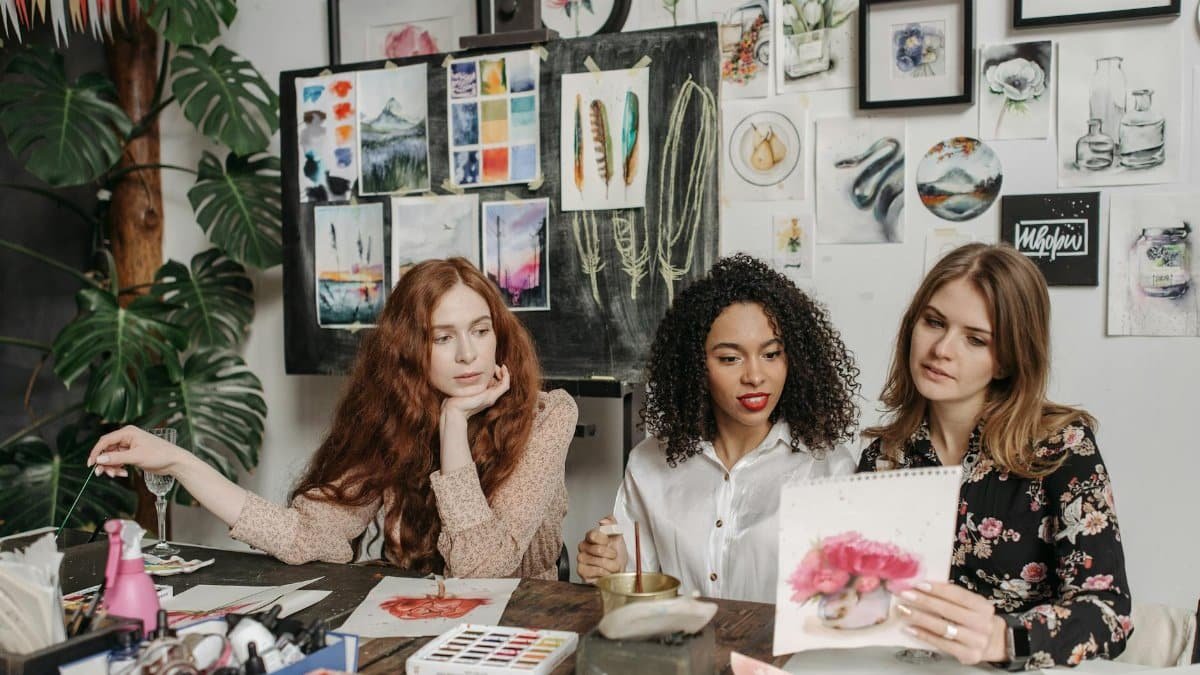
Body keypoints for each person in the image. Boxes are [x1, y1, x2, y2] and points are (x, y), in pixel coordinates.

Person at [88, 257, 578, 579]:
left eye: (480, 330)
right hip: (414, 624)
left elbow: (485, 572)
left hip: (520, 629)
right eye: (443, 337)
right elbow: (306, 534)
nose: (469, 354)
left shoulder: (547, 415)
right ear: (411, 349)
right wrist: (178, 463)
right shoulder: (394, 418)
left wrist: (453, 426)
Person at [858, 243, 1131, 669]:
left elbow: (1109, 615)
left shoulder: (1062, 447)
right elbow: (865, 598)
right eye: (934, 322)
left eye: (975, 339)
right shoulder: (884, 456)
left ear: (1006, 360)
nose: (942, 349)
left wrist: (1005, 638)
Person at [576, 254, 861, 603]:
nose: (755, 376)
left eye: (771, 354)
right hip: (679, 652)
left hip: (776, 657)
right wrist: (614, 566)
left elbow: (845, 604)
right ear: (695, 366)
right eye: (730, 358)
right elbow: (640, 590)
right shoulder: (650, 463)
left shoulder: (827, 469)